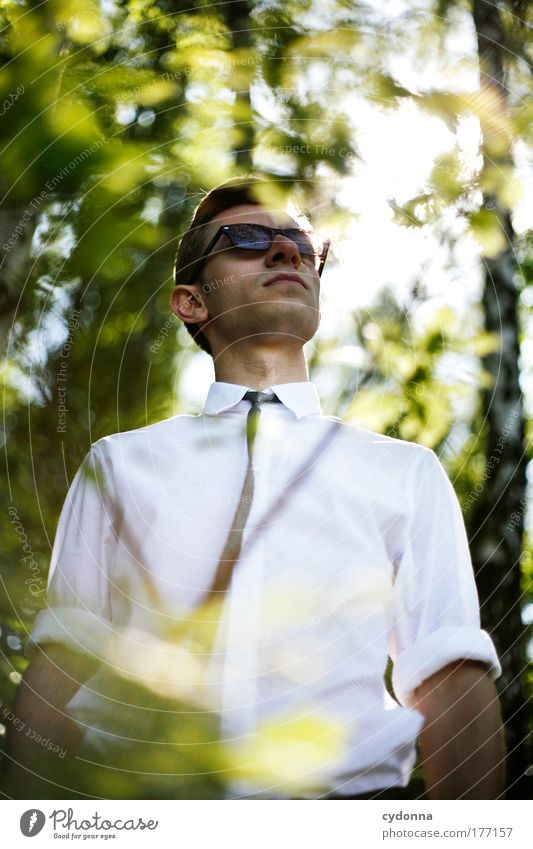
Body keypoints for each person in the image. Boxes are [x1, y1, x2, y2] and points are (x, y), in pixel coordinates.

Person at [2, 176, 505, 801]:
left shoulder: (407, 472)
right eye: (246, 238)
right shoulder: (119, 465)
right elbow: (65, 663)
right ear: (191, 302)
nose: (285, 251)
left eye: (302, 242)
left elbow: (446, 668)